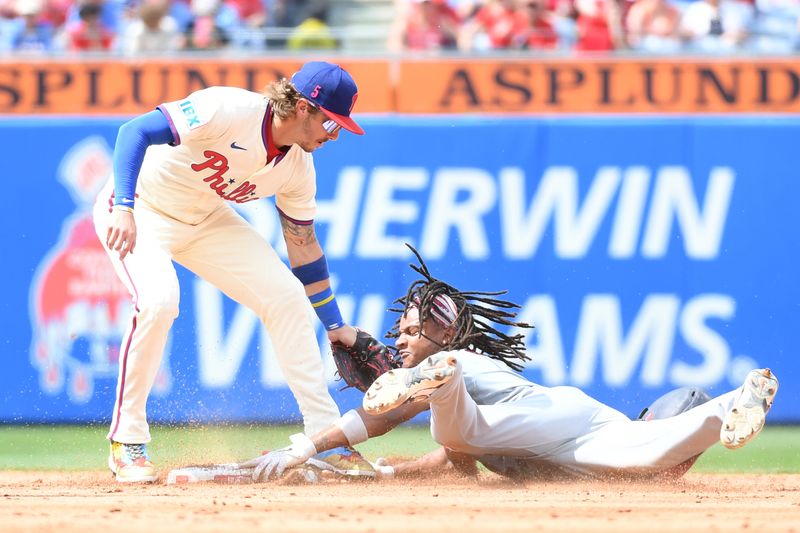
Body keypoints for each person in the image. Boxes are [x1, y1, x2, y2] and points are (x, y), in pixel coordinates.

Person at [242, 246, 780, 482]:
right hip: (567, 432)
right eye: (400, 333)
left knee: (448, 408)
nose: (400, 339)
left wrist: (311, 444)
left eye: (411, 331)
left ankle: (438, 387)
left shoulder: (459, 361)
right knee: (643, 461)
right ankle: (736, 400)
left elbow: (387, 416)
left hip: (541, 418)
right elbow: (455, 460)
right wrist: (382, 473)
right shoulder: (460, 407)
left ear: (442, 333)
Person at [94, 61, 374, 483]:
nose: (332, 135)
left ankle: (325, 433)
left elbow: (303, 246)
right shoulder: (226, 108)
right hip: (141, 210)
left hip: (206, 219)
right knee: (158, 301)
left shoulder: (298, 167)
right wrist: (125, 208)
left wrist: (334, 325)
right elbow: (133, 132)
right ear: (302, 107)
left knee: (286, 296)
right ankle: (127, 441)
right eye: (330, 123)